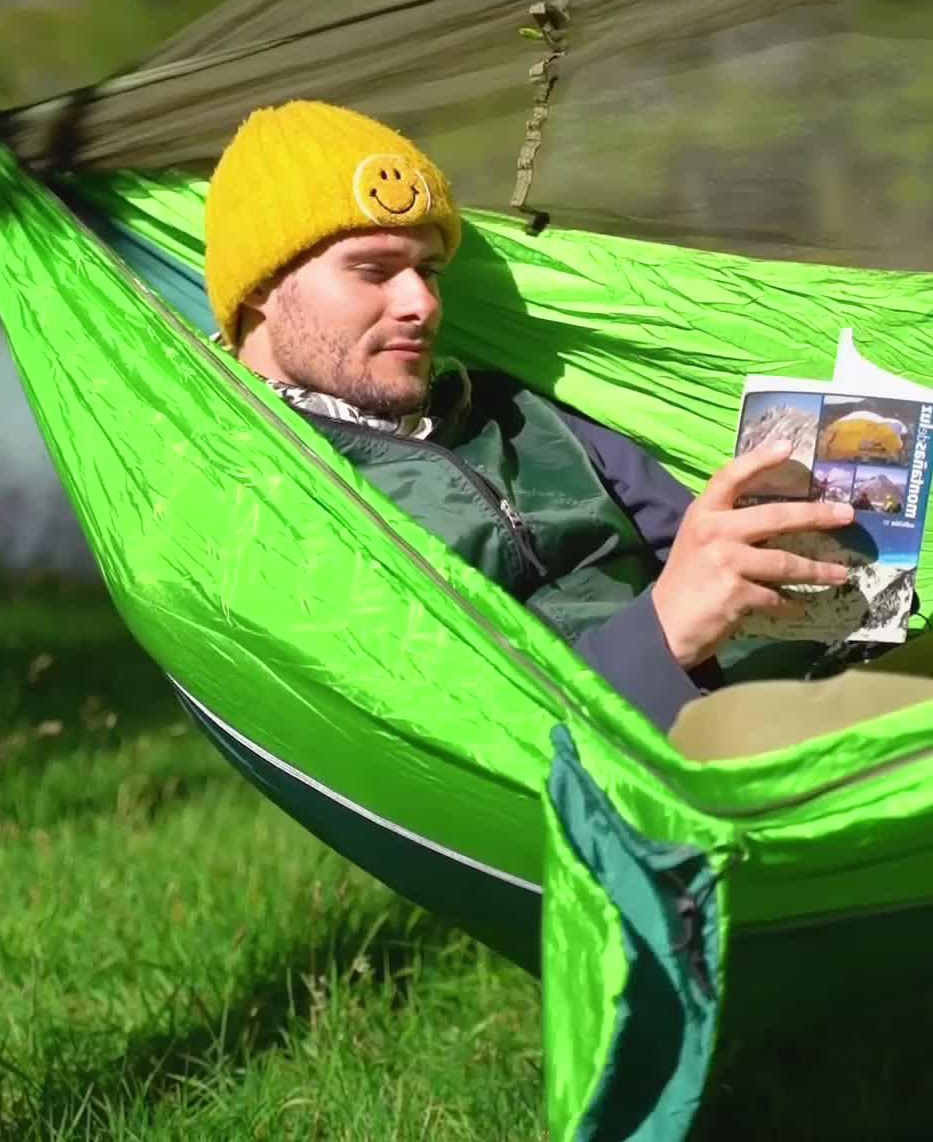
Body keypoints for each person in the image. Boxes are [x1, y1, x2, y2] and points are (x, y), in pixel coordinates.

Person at [204, 100, 855, 732]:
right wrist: (658, 638)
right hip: (633, 765)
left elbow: (690, 543)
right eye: (374, 271)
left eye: (429, 271)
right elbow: (442, 736)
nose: (422, 304)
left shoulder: (514, 409)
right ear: (262, 285)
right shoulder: (259, 493)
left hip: (789, 695)